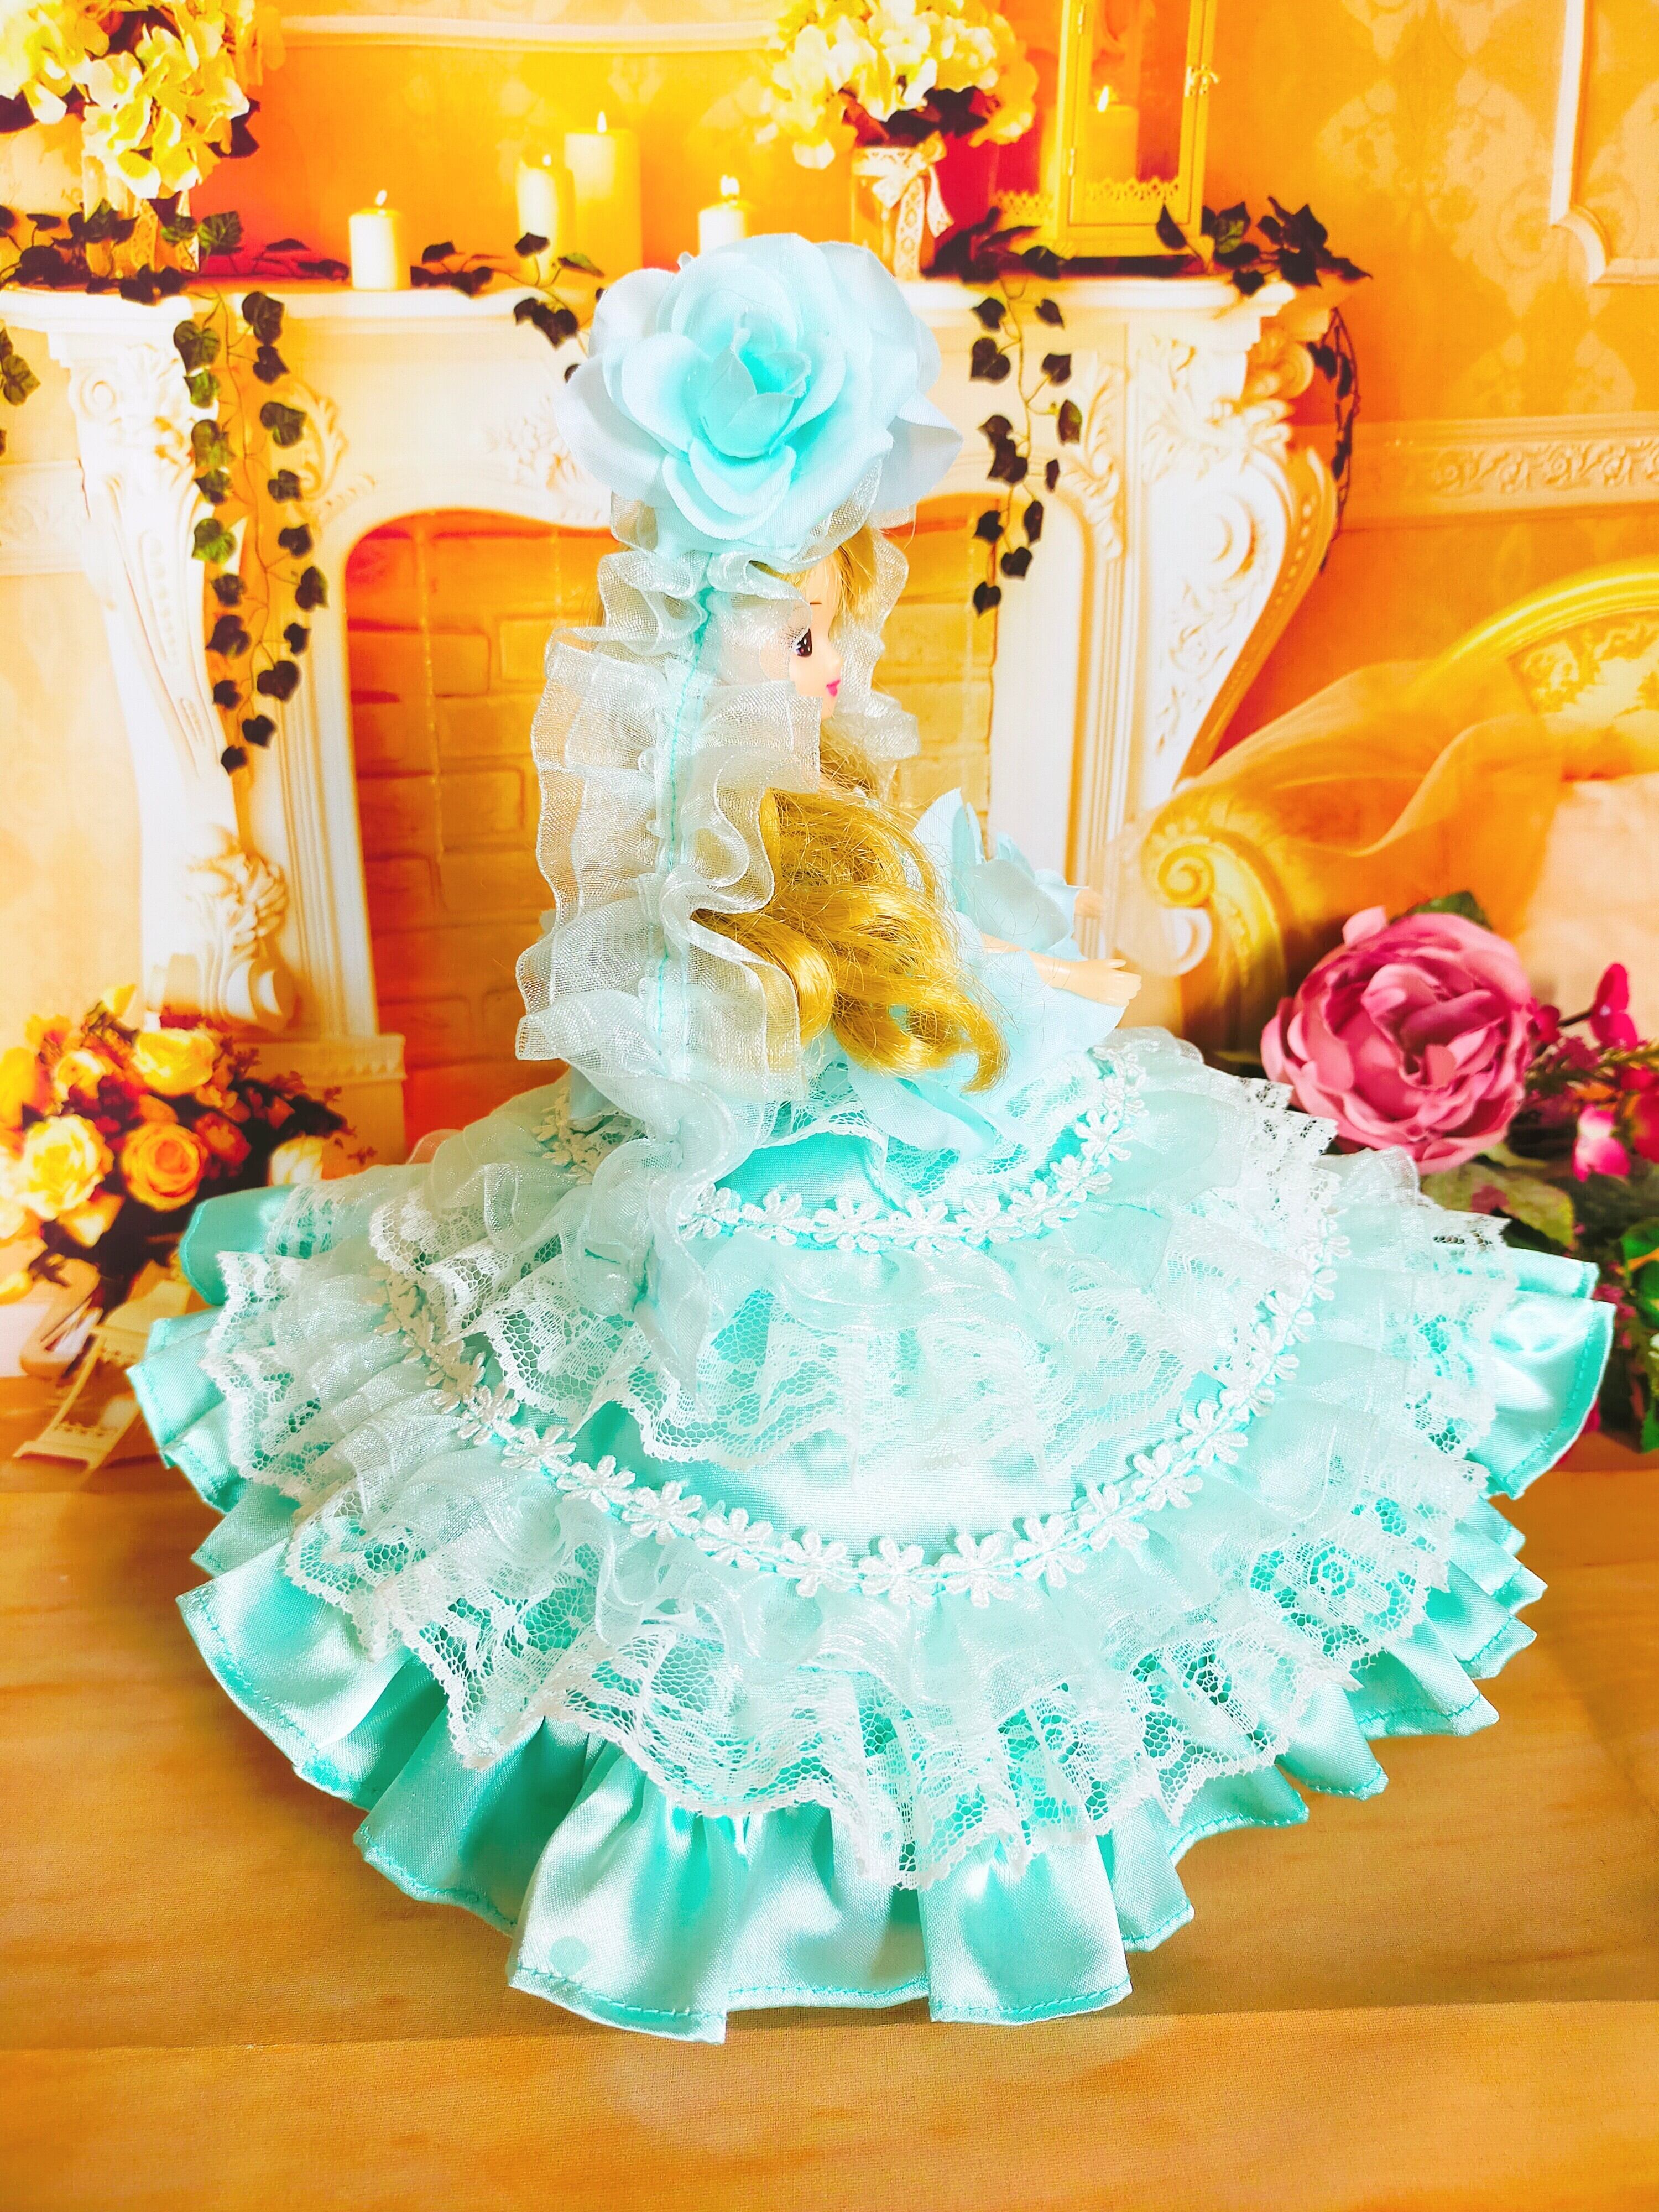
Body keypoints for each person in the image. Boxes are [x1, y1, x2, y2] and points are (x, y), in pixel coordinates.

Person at [134, 236, 1609, 2041]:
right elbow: (847, 1007)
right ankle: (778, 1836)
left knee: (1061, 1360)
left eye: (835, 633)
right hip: (801, 1144)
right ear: (709, 651)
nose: (834, 672)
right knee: (790, 1452)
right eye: (800, 640)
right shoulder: (732, 827)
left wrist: (985, 979)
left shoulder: (778, 801)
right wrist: (1006, 996)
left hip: (873, 1103)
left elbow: (905, 960)